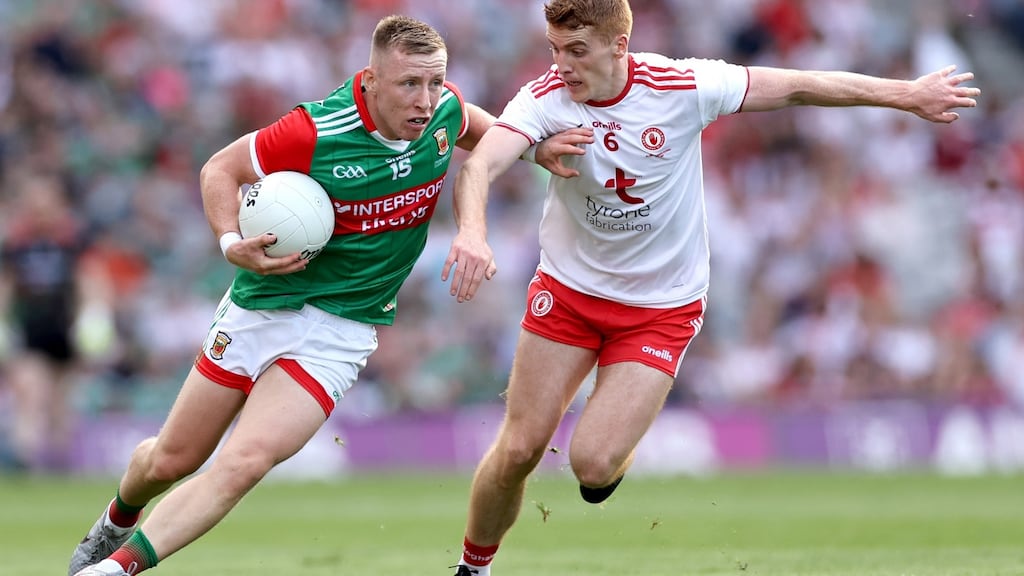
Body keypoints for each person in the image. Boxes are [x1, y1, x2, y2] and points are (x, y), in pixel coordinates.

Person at [441, 1, 982, 574]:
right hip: (570, 292)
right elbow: (480, 166)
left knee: (593, 465)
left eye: (577, 50)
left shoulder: (681, 85)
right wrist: (473, 231)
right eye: (555, 49)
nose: (562, 65)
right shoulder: (544, 97)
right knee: (521, 448)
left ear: (619, 46)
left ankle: (615, 443)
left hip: (659, 307)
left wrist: (906, 94)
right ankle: (473, 568)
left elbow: (799, 86)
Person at [67, 14, 580, 576]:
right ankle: (117, 519)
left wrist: (537, 149)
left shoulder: (444, 110)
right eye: (410, 84)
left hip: (341, 330)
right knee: (171, 458)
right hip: (260, 306)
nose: (427, 99)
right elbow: (221, 169)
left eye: (435, 82)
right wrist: (230, 241)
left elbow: (477, 130)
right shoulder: (314, 131)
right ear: (371, 80)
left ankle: (113, 569)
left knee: (246, 460)